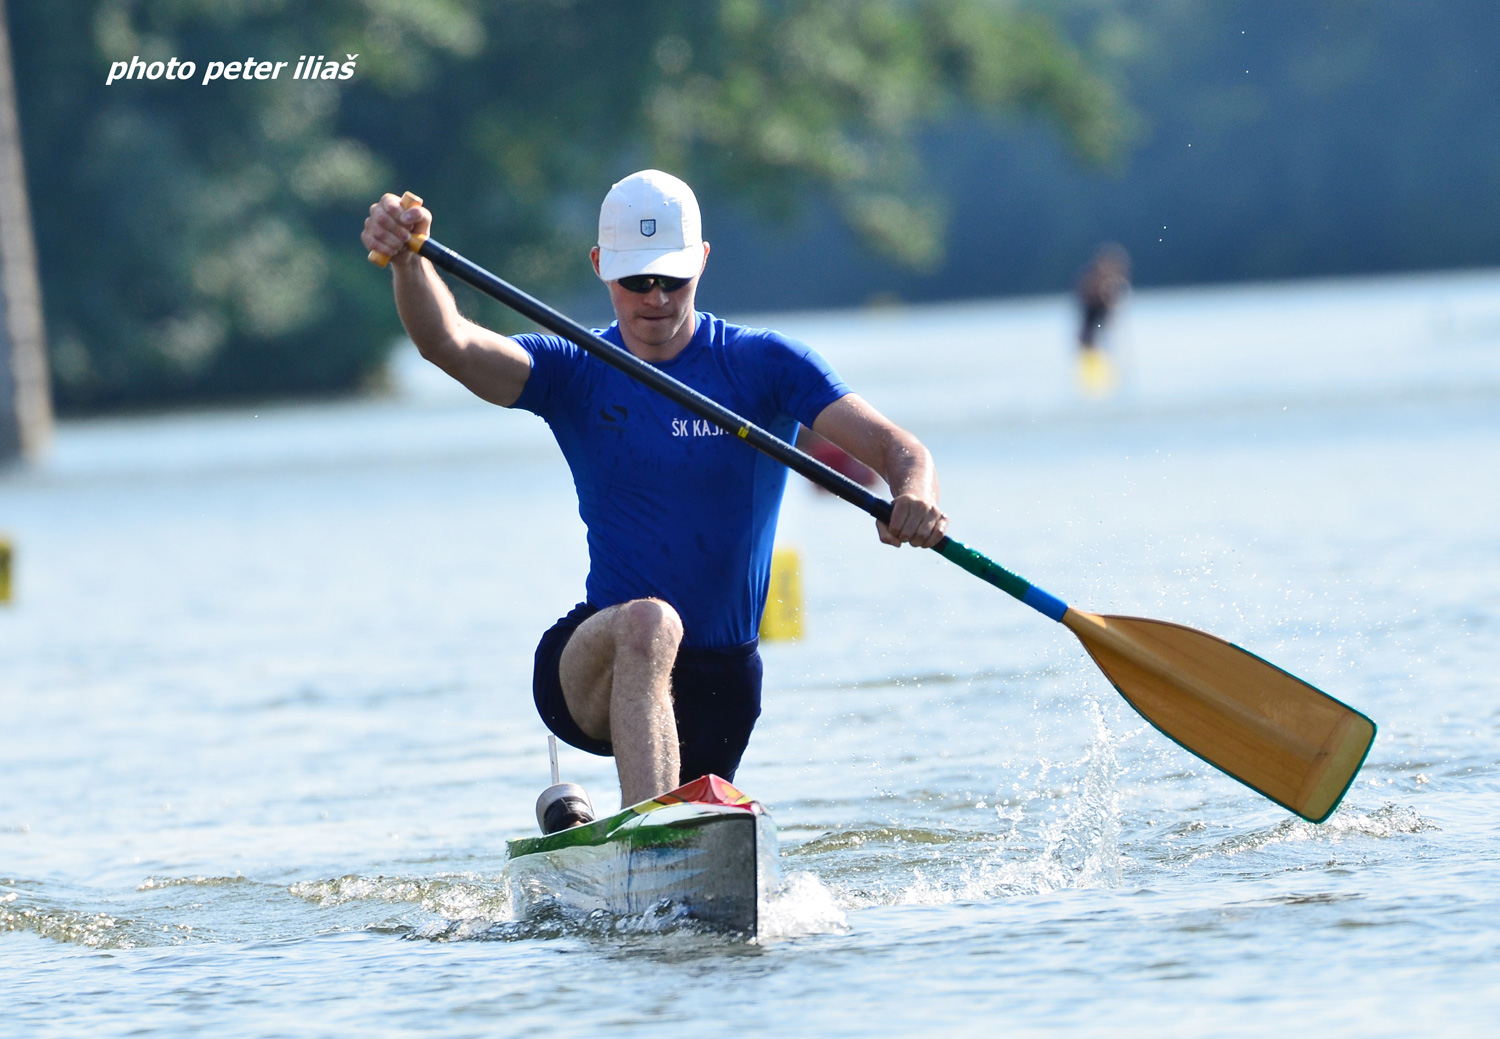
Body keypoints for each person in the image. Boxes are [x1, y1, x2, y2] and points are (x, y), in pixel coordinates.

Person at [361, 170, 947, 820]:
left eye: (673, 277)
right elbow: (448, 342)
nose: (656, 298)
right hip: (601, 657)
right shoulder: (575, 368)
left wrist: (914, 493)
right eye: (636, 280)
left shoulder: (766, 364)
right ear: (600, 267)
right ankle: (647, 832)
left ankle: (609, 825)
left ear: (702, 261)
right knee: (651, 622)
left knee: (704, 810)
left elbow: (900, 450)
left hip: (721, 683)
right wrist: (408, 262)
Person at [1075, 242, 1131, 353]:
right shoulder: (1091, 279)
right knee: (1090, 337)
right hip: (1092, 314)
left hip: (1104, 317)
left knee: (1107, 337)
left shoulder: (1113, 281)